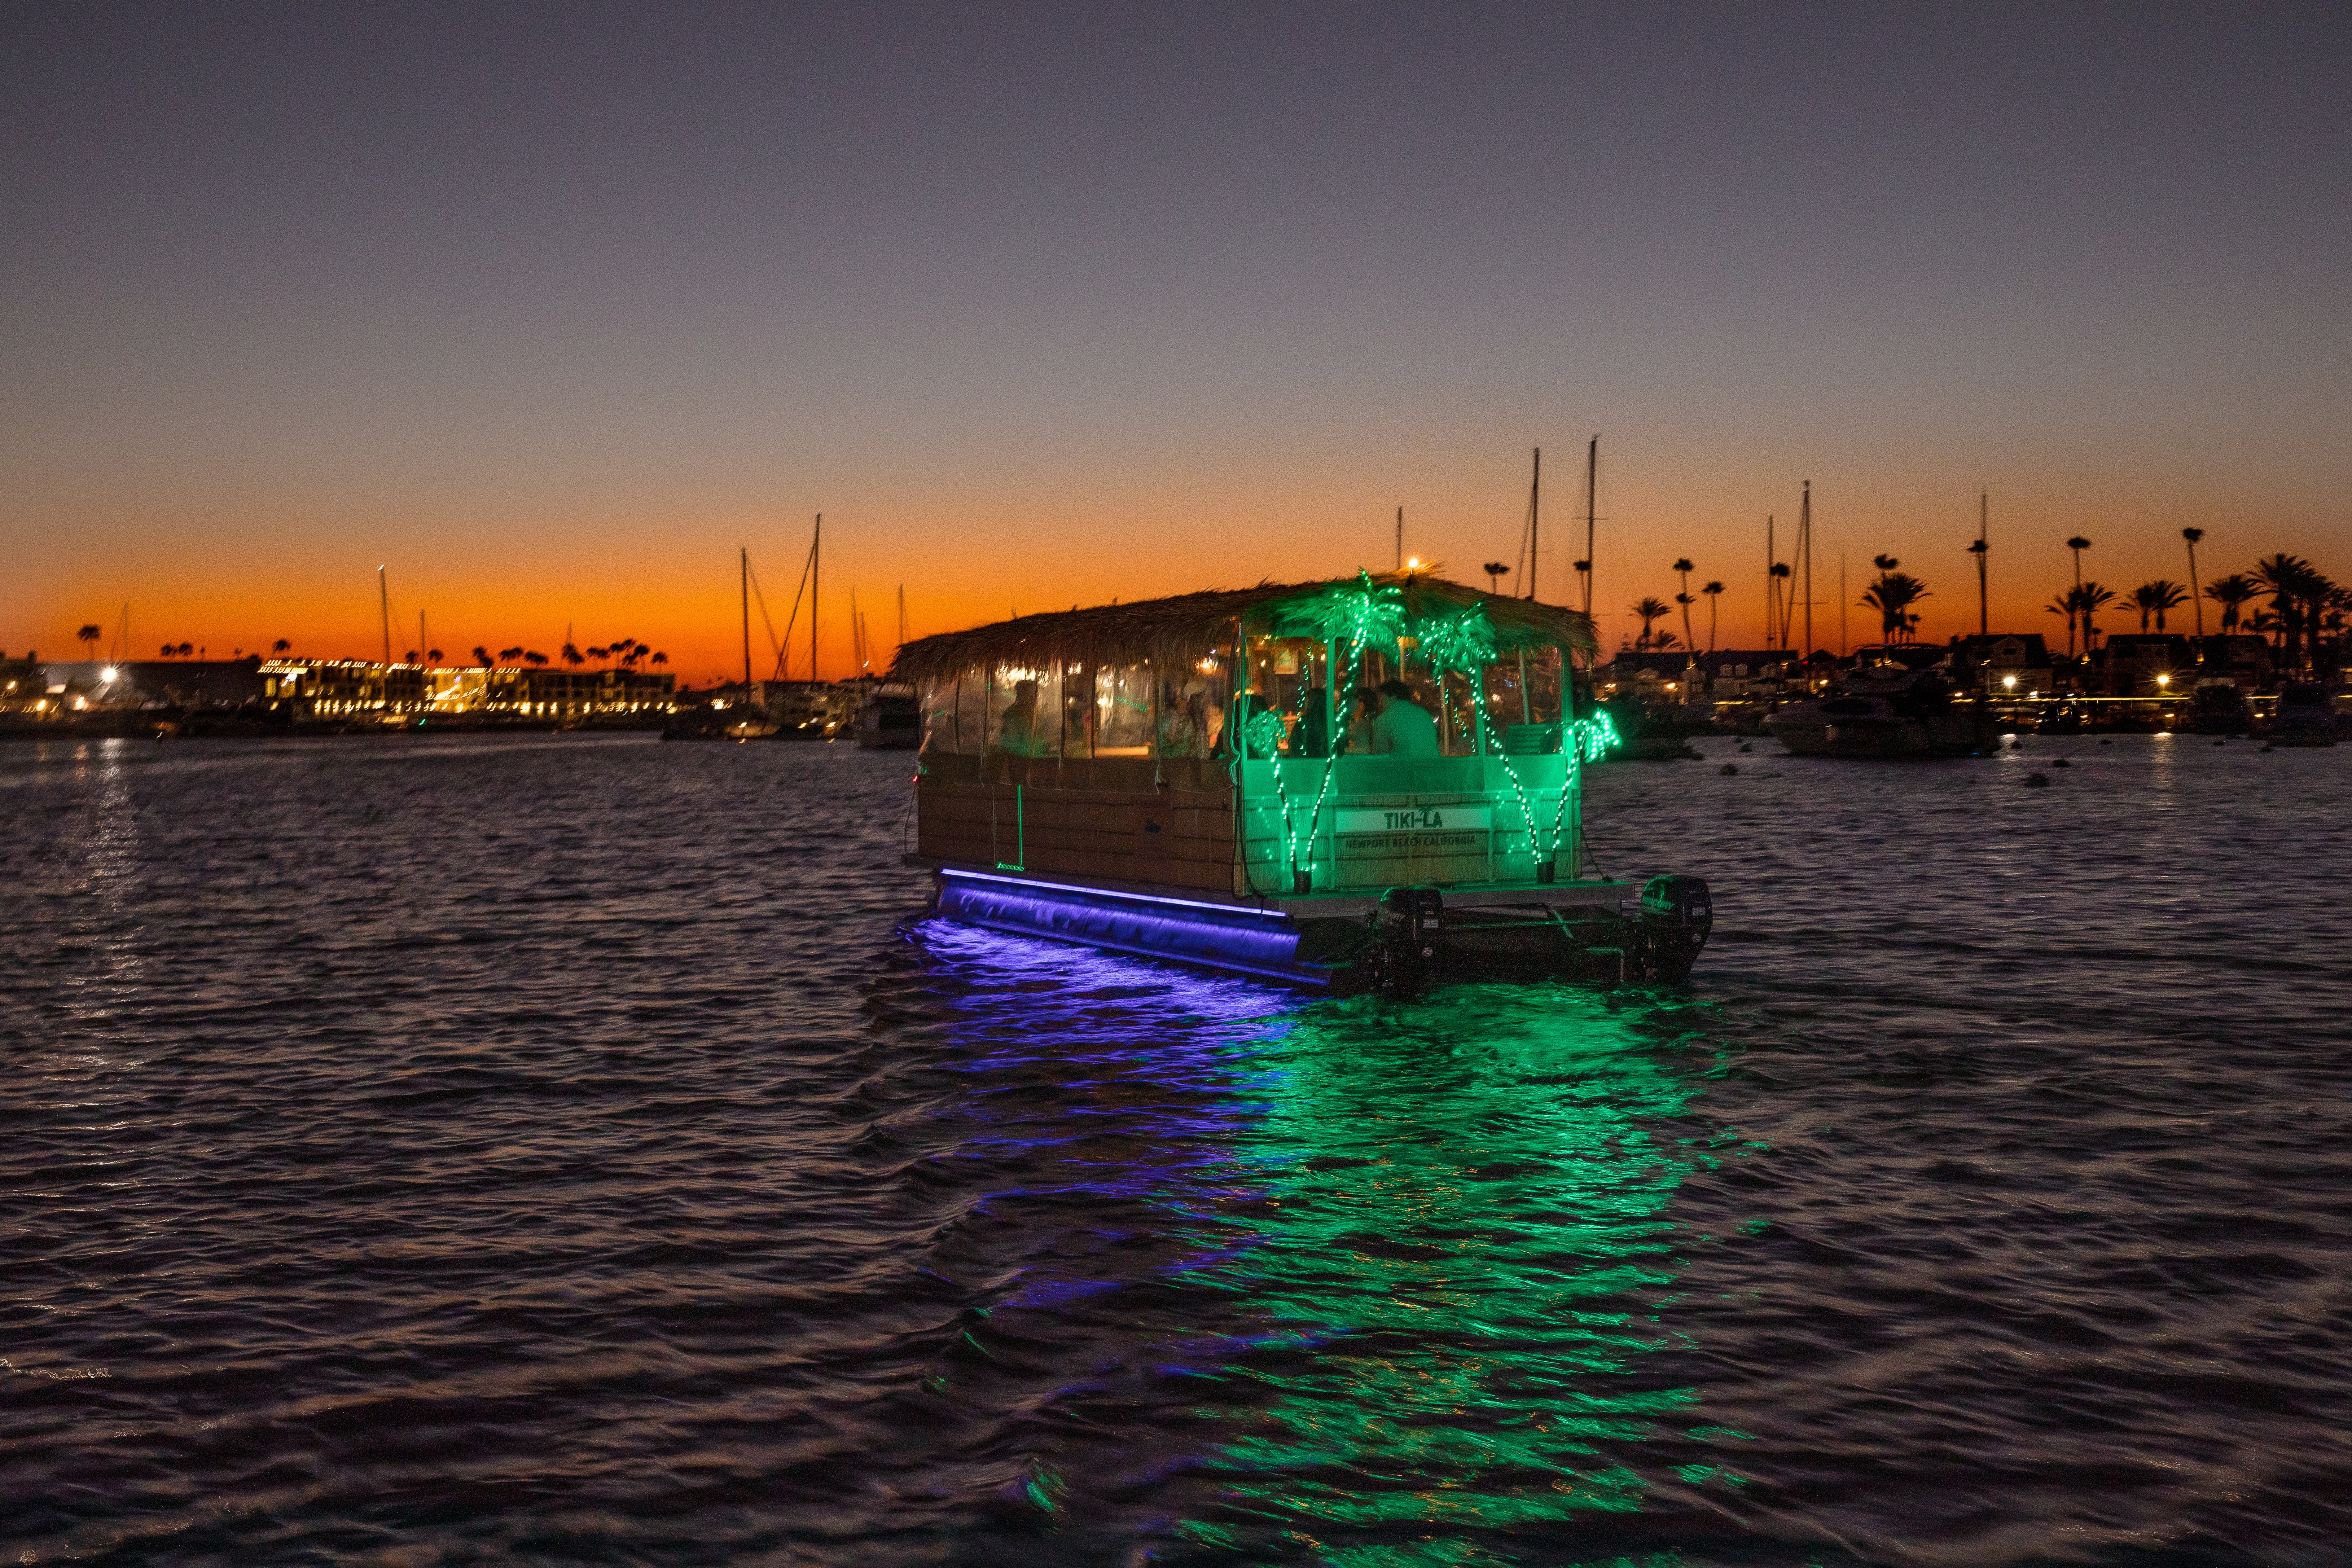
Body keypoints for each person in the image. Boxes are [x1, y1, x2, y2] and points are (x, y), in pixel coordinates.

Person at [1370, 678, 1439, 758]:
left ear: (1392, 698)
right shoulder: (1424, 714)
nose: (1381, 704)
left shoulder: (1384, 720)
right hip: (1434, 764)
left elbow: (1380, 757)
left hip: (1406, 766)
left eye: (1383, 699)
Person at [993, 678, 1050, 755]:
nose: (1036, 697)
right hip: (1019, 758)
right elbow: (1008, 741)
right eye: (1033, 694)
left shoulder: (1031, 712)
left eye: (1036, 694)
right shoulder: (1013, 713)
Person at [1343, 686, 1381, 755]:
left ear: (1362, 703)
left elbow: (1365, 750)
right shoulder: (1355, 721)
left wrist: (1342, 751)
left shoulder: (1362, 726)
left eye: (1355, 699)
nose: (1351, 701)